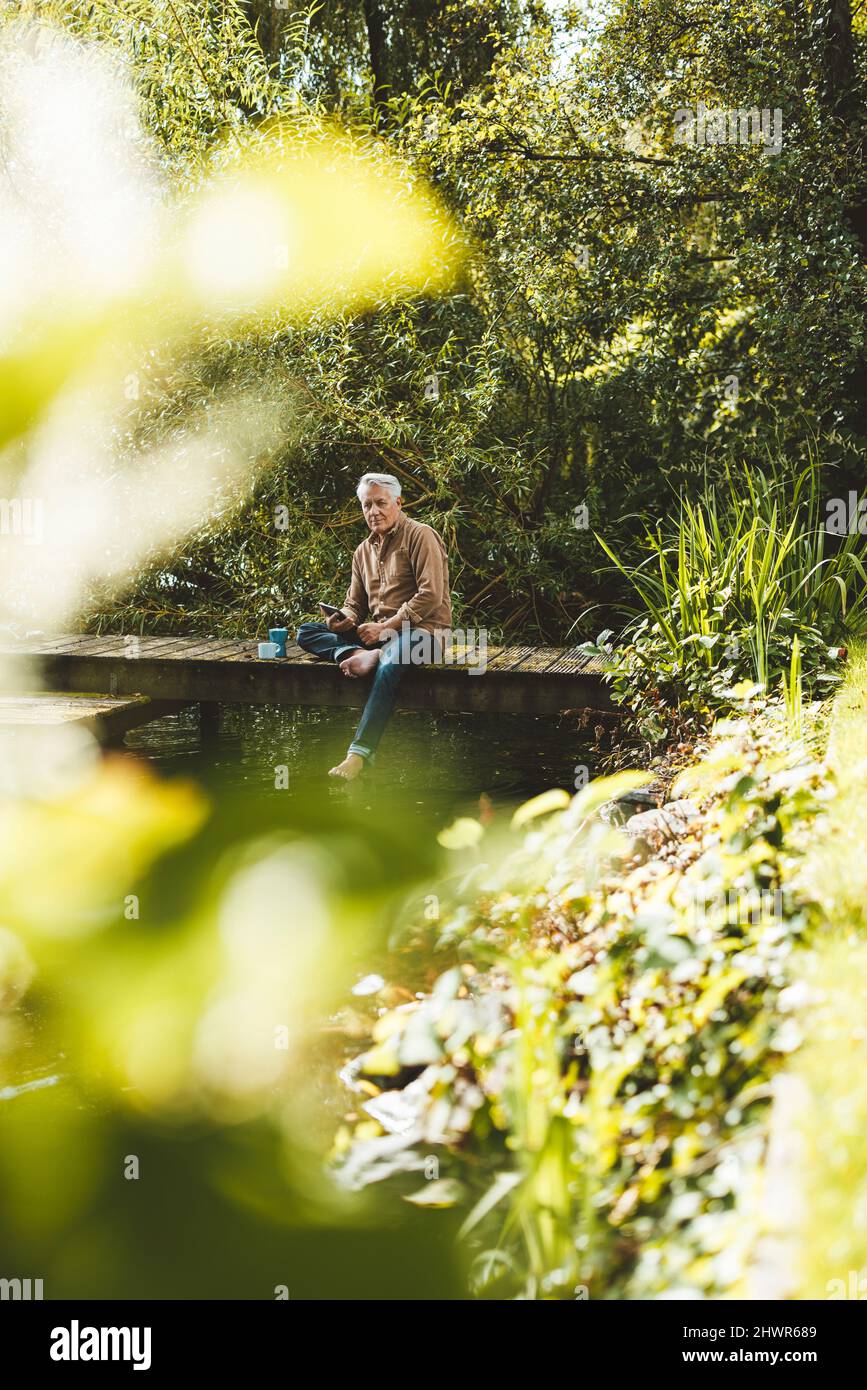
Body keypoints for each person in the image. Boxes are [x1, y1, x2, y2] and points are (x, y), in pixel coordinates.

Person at [296, 472, 452, 779]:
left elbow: (430, 595)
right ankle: (358, 653)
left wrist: (386, 629)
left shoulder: (421, 535)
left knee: (391, 661)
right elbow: (354, 604)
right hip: (380, 637)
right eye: (367, 505)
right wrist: (343, 620)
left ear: (398, 502)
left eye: (380, 503)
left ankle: (359, 753)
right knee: (307, 631)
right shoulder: (362, 552)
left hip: (425, 635)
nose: (373, 511)